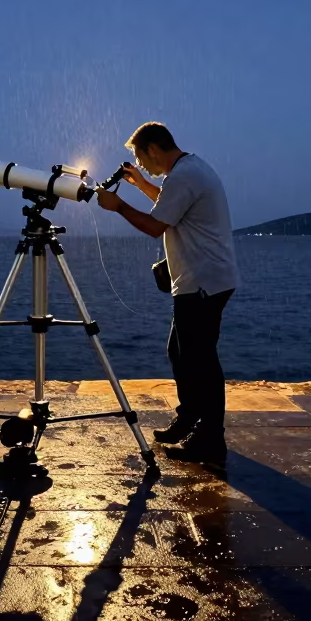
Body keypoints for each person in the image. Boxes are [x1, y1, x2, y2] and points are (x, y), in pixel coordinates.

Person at [95, 122, 240, 464]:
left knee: (201, 360)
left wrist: (117, 206)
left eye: (141, 159)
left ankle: (210, 438)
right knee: (180, 352)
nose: (142, 164)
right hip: (203, 279)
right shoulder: (188, 170)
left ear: (154, 149)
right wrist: (141, 184)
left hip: (204, 282)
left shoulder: (183, 176)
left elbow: (154, 225)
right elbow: (170, 205)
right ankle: (189, 420)